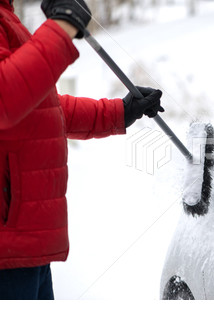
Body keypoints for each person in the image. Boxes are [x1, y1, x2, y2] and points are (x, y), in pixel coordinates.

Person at [0, 0, 164, 299]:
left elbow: (38, 107)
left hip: (24, 242)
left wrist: (118, 112)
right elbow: (6, 98)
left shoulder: (5, 17)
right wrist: (62, 25)